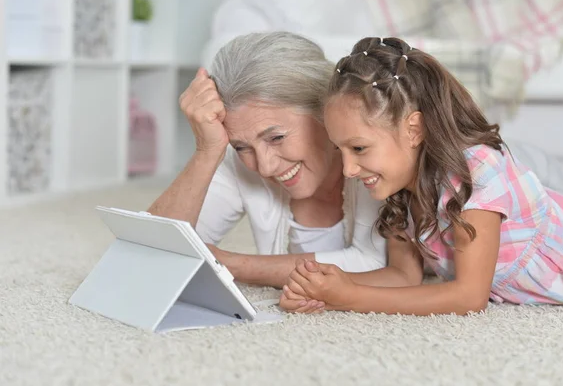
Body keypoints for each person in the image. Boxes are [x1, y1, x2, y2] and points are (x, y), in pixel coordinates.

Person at [280, 37, 563, 315]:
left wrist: (351, 297)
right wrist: (330, 286)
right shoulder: (399, 185)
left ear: (413, 129)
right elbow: (403, 276)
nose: (348, 170)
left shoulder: (476, 174)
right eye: (340, 150)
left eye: (359, 148)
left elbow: (468, 297)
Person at [148, 32, 400, 314]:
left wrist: (231, 264)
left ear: (325, 111)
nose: (265, 167)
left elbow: (376, 264)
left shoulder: (370, 156)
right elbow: (154, 255)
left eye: (277, 137)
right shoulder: (241, 161)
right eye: (241, 146)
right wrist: (206, 151)